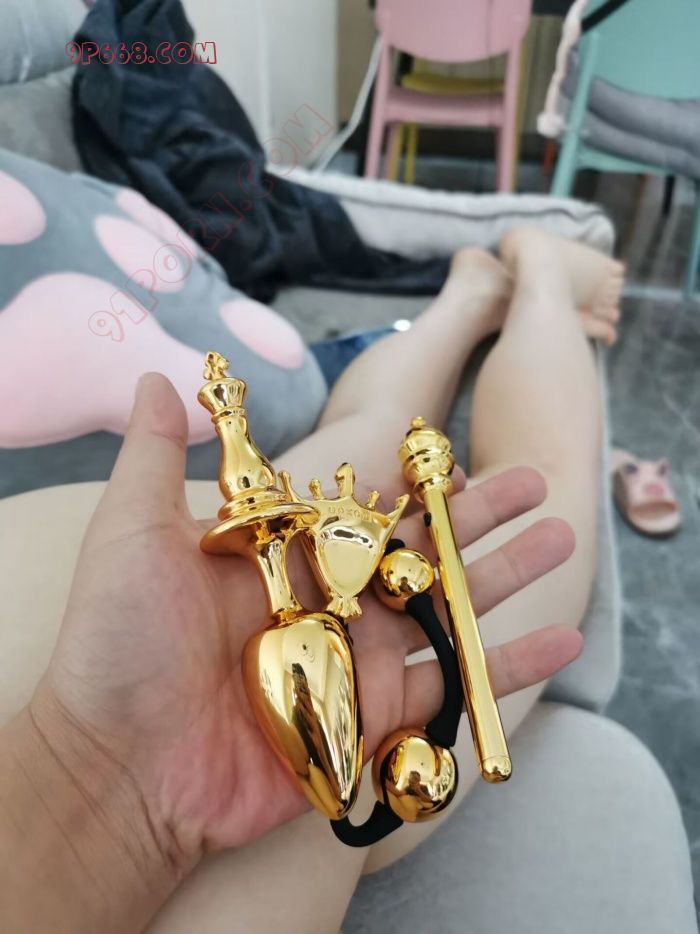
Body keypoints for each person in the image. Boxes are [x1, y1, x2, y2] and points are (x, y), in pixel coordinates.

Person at [0, 229, 623, 932]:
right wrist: (106, 789)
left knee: (503, 472)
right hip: (135, 670)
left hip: (147, 630)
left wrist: (95, 778)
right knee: (393, 436)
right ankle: (490, 290)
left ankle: (521, 279)